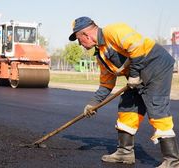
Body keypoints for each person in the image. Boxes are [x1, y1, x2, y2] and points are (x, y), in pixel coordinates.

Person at [69, 16, 179, 167]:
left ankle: (172, 161)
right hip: (137, 75)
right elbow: (106, 84)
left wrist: (133, 75)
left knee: (157, 108)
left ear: (85, 35)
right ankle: (125, 153)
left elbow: (137, 47)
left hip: (156, 66)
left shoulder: (113, 31)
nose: (80, 44)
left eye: (79, 40)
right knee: (127, 106)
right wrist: (93, 103)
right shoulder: (101, 55)